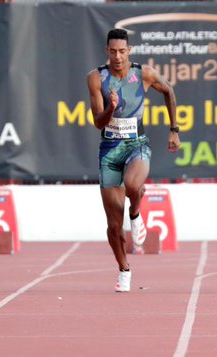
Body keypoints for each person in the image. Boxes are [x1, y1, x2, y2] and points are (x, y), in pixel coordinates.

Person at [87, 29, 181, 292]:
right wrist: (111, 108)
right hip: (109, 150)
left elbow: (169, 91)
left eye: (122, 52)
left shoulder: (143, 74)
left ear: (129, 51)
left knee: (132, 184)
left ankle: (136, 213)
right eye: (113, 52)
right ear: (107, 51)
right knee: (113, 226)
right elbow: (97, 122)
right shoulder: (96, 78)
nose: (118, 57)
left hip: (136, 144)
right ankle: (124, 269)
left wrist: (174, 130)